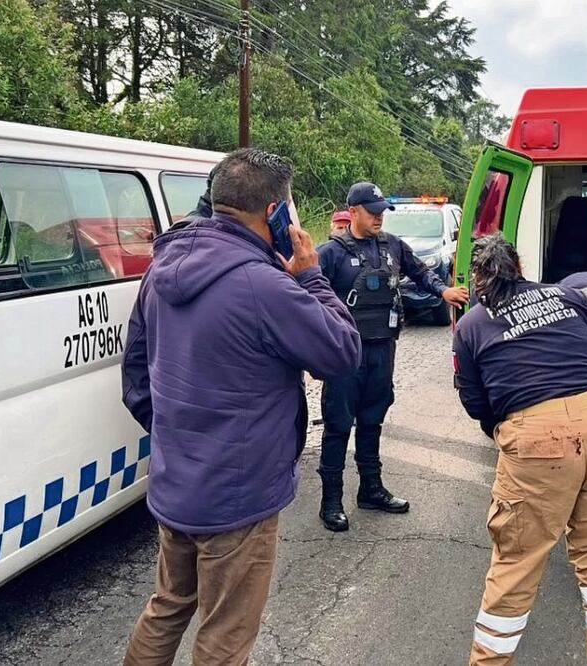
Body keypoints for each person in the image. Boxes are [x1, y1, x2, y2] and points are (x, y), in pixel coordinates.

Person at [120, 148, 361, 665]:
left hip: (175, 481)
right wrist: (311, 276)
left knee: (168, 606)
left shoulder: (162, 266)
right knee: (225, 634)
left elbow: (135, 375)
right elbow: (342, 351)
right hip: (238, 495)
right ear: (276, 211)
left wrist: (176, 438)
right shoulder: (266, 285)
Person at [453, 235, 587, 666]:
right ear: (519, 264)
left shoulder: (471, 326)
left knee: (517, 563)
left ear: (477, 278)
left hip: (536, 438)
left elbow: (474, 399)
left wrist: (502, 428)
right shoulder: (568, 296)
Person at [315, 181, 470, 531]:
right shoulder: (331, 253)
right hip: (344, 355)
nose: (379, 218)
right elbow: (305, 298)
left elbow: (421, 272)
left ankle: (371, 489)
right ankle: (331, 500)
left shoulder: (393, 246)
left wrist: (443, 290)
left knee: (373, 420)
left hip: (383, 349)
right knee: (339, 426)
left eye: (382, 212)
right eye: (372, 212)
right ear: (352, 212)